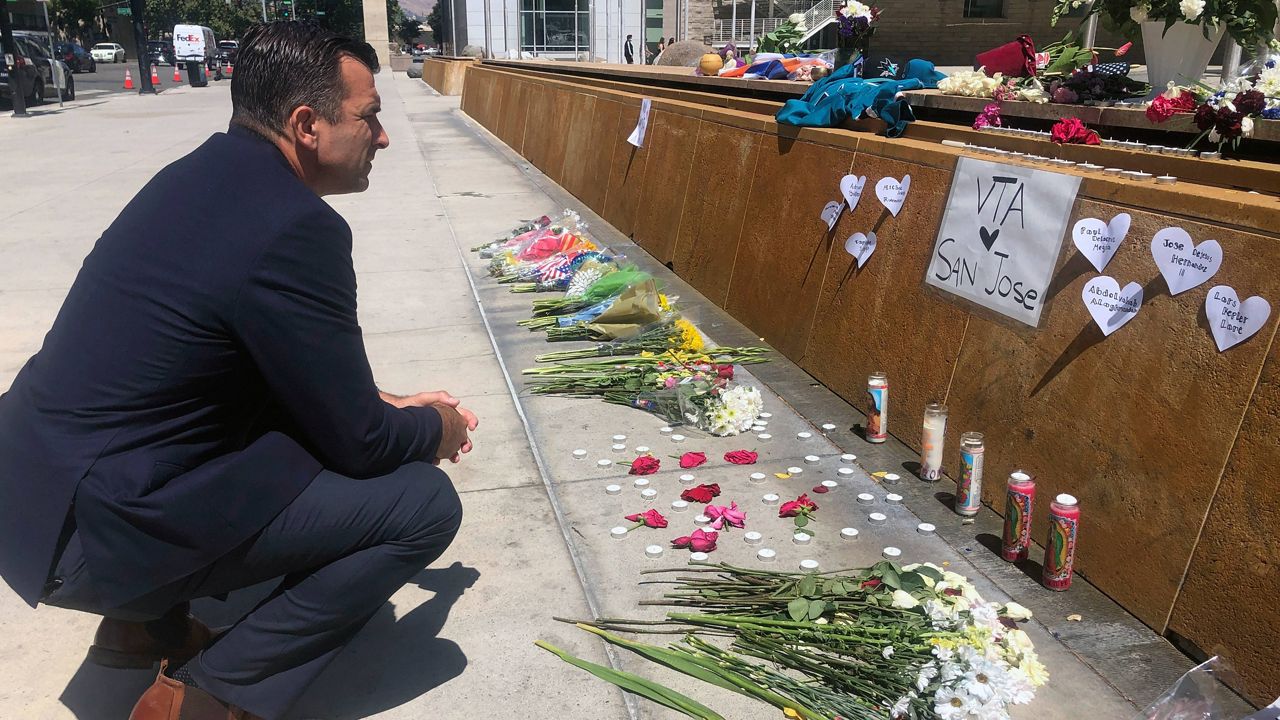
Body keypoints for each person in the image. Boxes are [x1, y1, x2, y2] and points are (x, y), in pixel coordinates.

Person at [0, 20, 476, 720]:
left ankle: (141, 627)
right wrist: (431, 427)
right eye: (369, 118)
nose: (381, 138)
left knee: (261, 442)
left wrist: (393, 401)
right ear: (307, 124)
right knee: (421, 504)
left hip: (30, 496)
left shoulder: (199, 176)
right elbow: (359, 442)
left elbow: (264, 366)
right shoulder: (295, 226)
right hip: (91, 536)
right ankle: (208, 695)